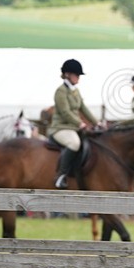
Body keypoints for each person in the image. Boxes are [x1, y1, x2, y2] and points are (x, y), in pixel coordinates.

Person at [49, 59, 99, 189]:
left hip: (73, 128)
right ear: (67, 74)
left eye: (78, 75)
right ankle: (61, 175)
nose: (78, 78)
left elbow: (83, 108)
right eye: (76, 75)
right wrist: (80, 123)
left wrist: (97, 122)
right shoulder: (60, 91)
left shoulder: (75, 91)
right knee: (74, 143)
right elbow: (65, 112)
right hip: (60, 128)